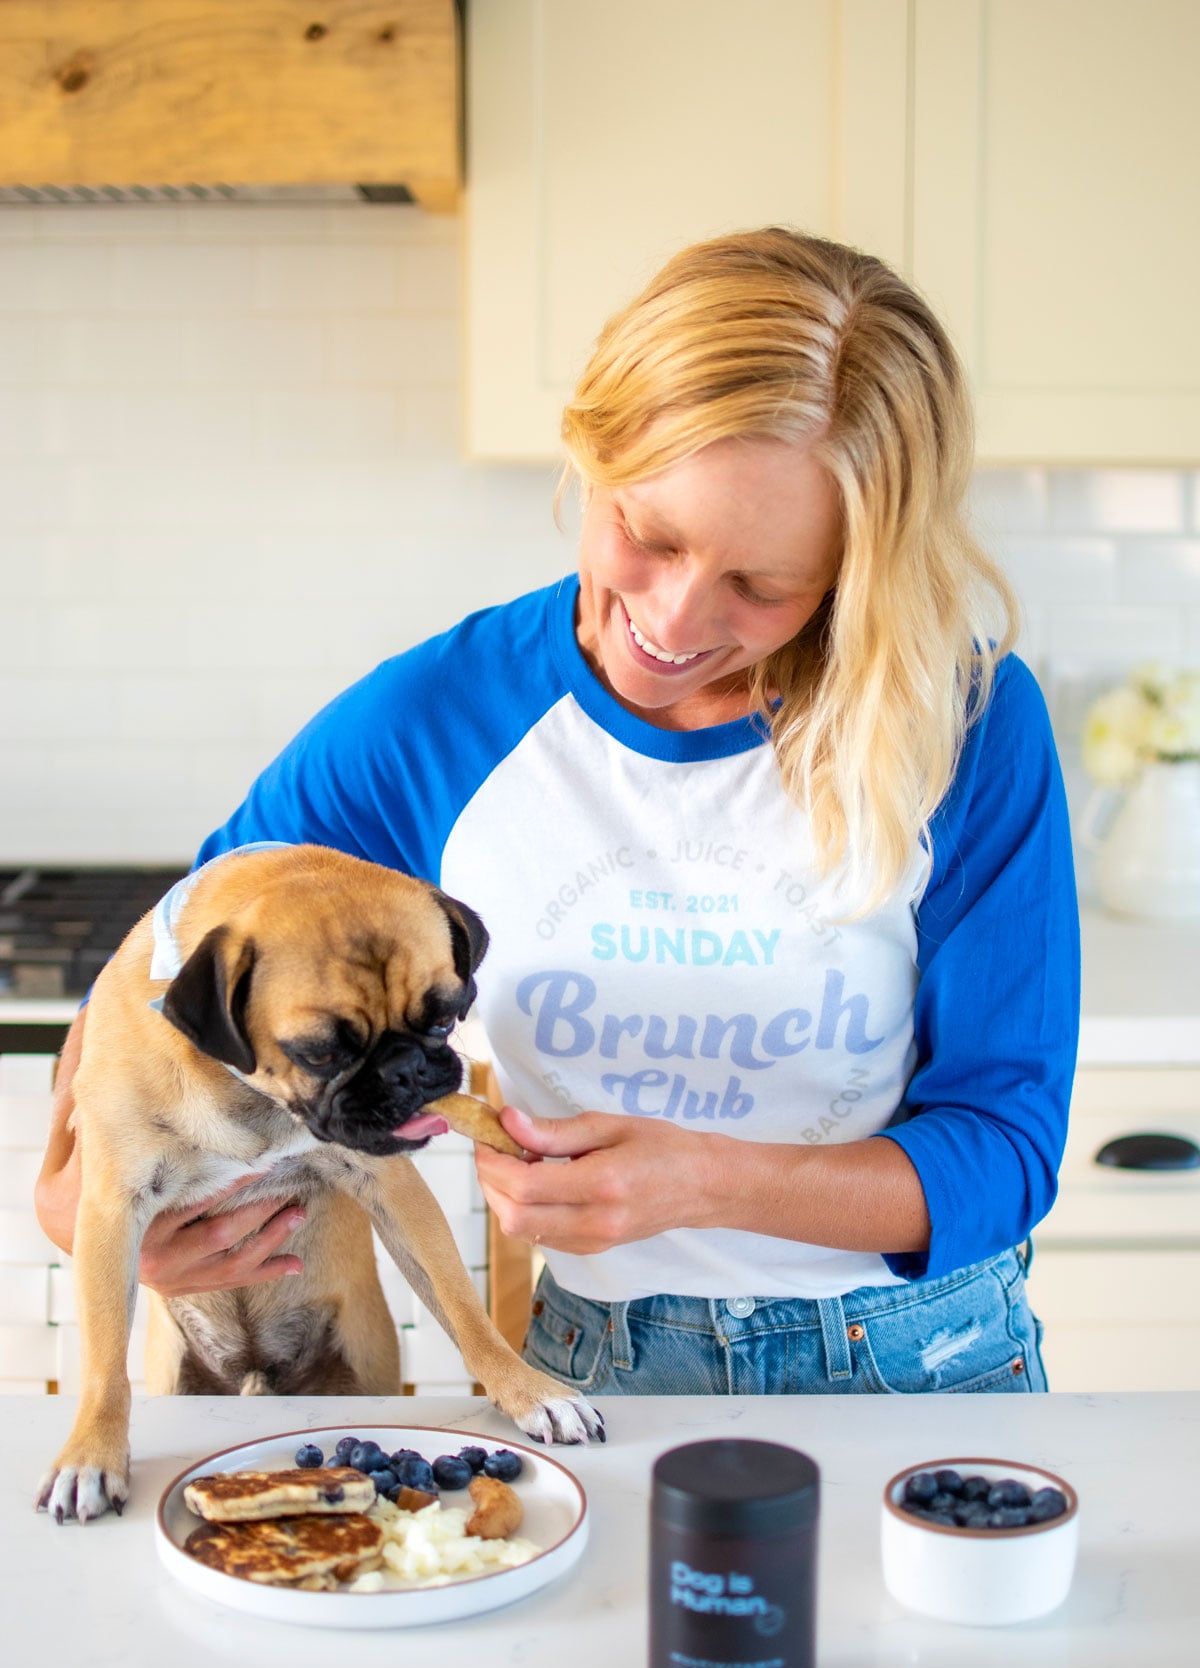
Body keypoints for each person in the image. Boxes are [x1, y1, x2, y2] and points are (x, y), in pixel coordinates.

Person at [36, 228, 1079, 1396]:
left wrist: (711, 1181)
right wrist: (66, 1189)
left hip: (922, 1362)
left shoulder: (966, 723)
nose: (677, 623)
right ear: (594, 455)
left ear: (853, 573)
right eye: (651, 534)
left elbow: (1005, 1149)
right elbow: (166, 962)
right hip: (592, 1368)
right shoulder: (437, 720)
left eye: (763, 586)